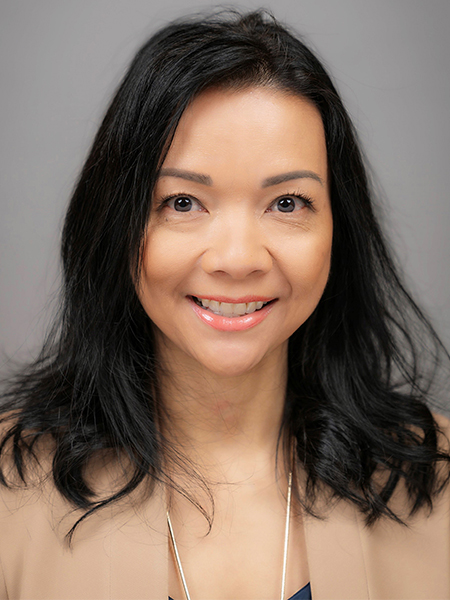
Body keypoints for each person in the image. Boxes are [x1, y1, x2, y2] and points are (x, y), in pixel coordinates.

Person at [1, 8, 449, 600]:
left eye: (287, 203)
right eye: (183, 203)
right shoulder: (8, 495)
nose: (238, 259)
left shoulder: (438, 482)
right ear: (117, 223)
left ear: (340, 229)